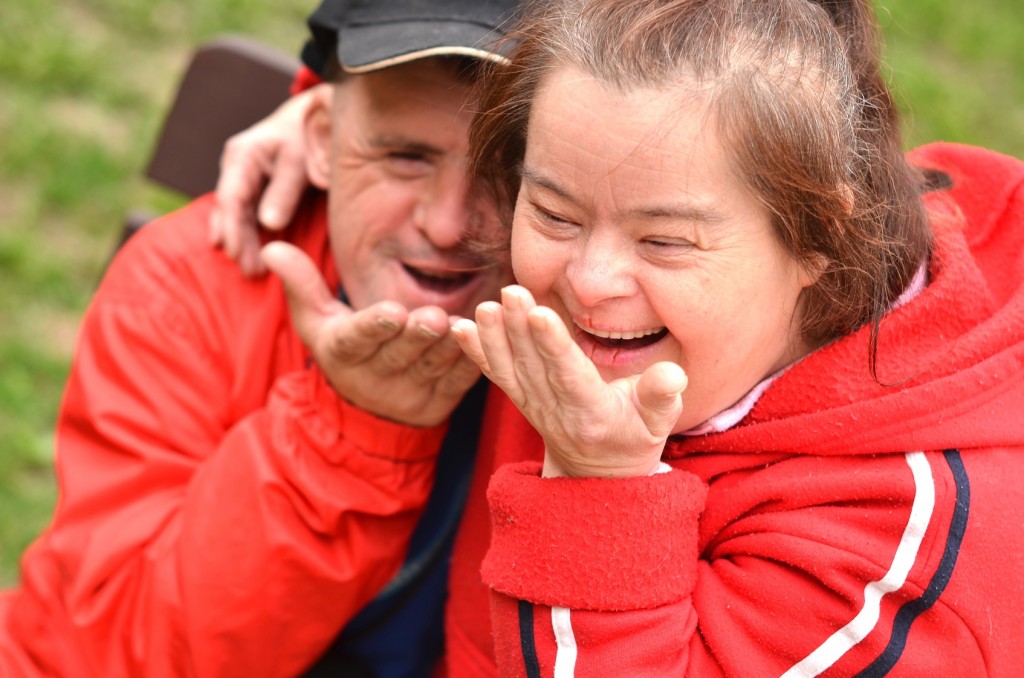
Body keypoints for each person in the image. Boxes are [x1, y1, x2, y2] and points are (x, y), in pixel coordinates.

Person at [442, 0, 1024, 674]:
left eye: (663, 241)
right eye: (554, 213)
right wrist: (329, 111)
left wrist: (598, 486)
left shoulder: (902, 549)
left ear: (821, 237)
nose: (590, 280)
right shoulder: (572, 303)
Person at [0, 0, 519, 676]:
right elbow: (116, 652)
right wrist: (354, 435)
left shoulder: (614, 350)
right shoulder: (189, 283)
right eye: (405, 157)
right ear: (319, 137)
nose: (448, 224)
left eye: (506, 168)